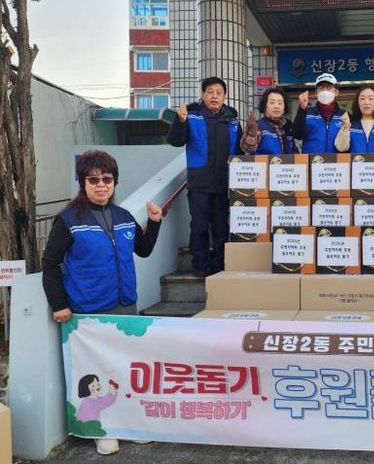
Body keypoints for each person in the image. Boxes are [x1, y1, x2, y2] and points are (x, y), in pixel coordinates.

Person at [42, 150, 161, 456]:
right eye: (93, 180)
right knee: (95, 373)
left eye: (106, 179)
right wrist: (59, 304)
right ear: (83, 183)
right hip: (89, 311)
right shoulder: (68, 220)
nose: (101, 185)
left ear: (114, 182)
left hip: (125, 307)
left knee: (126, 368)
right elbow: (50, 264)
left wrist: (154, 222)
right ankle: (101, 429)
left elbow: (144, 250)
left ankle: (128, 424)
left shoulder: (123, 217)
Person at [168, 76, 242, 276]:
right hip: (199, 184)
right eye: (210, 92)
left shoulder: (233, 121)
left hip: (224, 185)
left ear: (225, 96)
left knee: (221, 228)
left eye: (219, 93)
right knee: (199, 226)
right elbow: (175, 141)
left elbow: (240, 153)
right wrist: (180, 121)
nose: (215, 96)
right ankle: (200, 265)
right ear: (203, 94)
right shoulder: (192, 116)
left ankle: (218, 265)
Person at [293, 73, 348, 153]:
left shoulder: (344, 115)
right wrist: (302, 109)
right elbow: (298, 135)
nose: (325, 91)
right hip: (311, 160)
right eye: (321, 88)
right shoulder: (307, 113)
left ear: (336, 92)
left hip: (337, 160)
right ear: (316, 93)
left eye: (329, 87)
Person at [334, 84, 374, 153]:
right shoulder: (351, 124)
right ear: (357, 102)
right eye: (362, 99)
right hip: (355, 160)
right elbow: (341, 148)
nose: (366, 102)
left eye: (371, 99)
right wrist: (345, 128)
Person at [240, 87, 295, 155]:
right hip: (263, 162)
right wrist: (251, 131)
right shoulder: (258, 126)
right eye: (272, 103)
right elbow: (247, 148)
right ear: (264, 106)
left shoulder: (288, 127)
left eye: (280, 103)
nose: (276, 106)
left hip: (286, 162)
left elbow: (293, 150)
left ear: (284, 108)